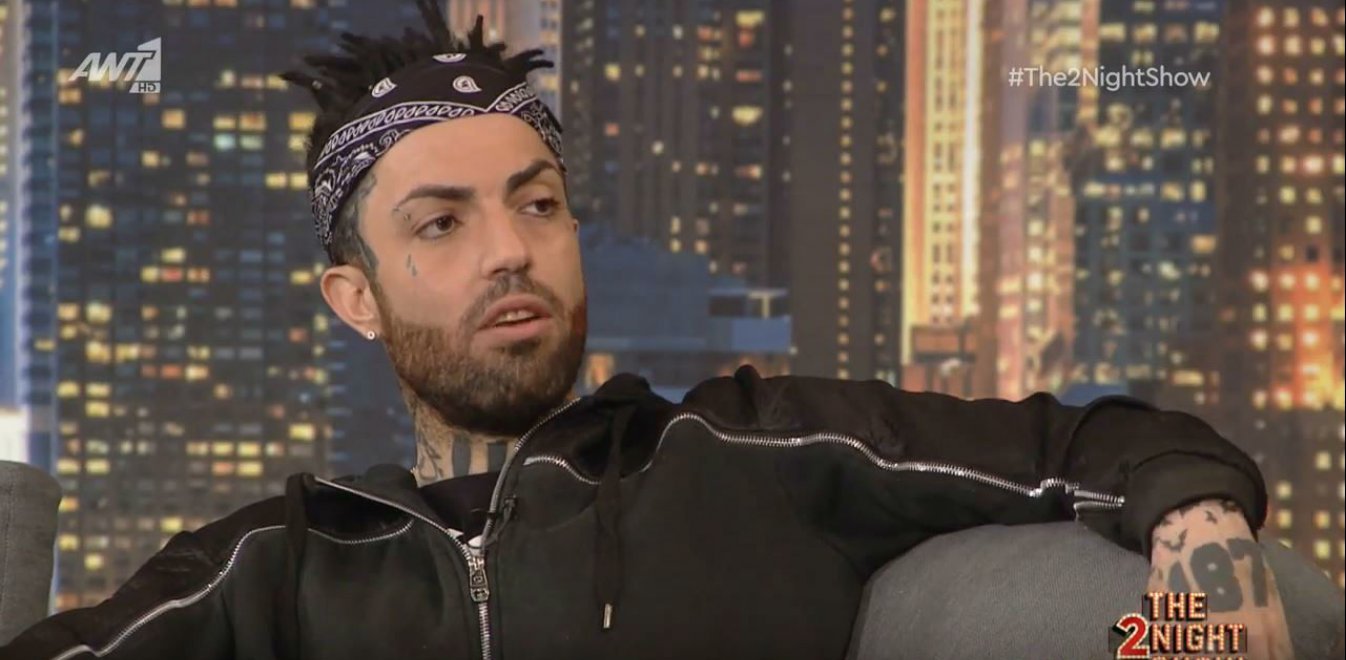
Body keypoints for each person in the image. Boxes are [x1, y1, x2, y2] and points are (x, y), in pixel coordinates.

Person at [2, 2, 1292, 658]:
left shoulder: (752, 451)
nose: (509, 249)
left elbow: (1089, 444)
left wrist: (1200, 539)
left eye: (537, 204)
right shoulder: (275, 565)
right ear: (357, 297)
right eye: (442, 222)